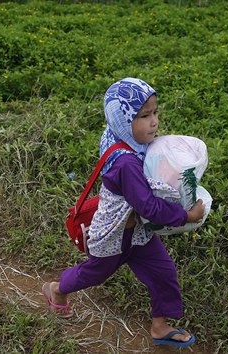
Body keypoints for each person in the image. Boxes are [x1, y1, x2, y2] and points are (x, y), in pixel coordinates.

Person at [41, 78, 205, 348]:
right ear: (123, 119)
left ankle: (160, 326)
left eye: (155, 112)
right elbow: (149, 207)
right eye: (144, 116)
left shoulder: (122, 137)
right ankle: (57, 289)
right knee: (94, 273)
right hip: (113, 233)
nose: (154, 121)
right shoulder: (126, 163)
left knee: (163, 271)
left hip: (138, 232)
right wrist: (186, 216)